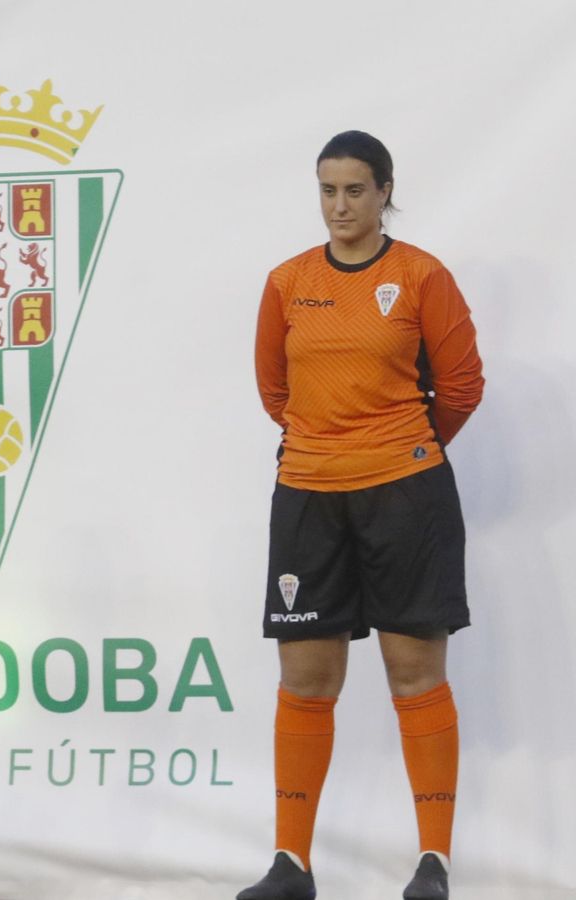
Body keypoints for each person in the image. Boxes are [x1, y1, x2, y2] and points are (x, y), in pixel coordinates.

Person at [239, 131, 484, 900]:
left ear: (384, 192)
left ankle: (433, 864)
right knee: (306, 680)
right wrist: (332, 448)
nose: (339, 206)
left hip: (406, 497)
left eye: (355, 190)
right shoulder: (287, 282)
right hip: (309, 496)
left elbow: (464, 385)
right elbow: (275, 391)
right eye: (327, 190)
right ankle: (292, 865)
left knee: (414, 676)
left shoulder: (420, 277)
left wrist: (401, 449)